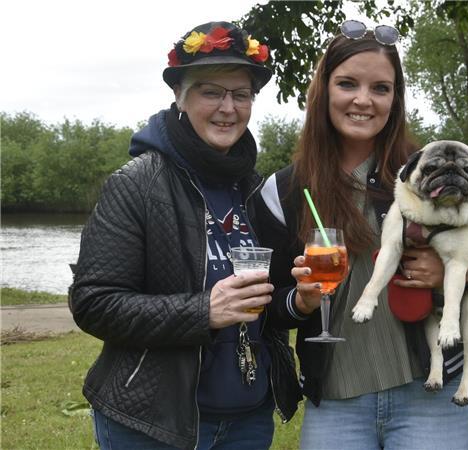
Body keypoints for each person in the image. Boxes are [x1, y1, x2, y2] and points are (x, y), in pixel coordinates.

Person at [258, 20, 468, 449]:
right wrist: (301, 300)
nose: (363, 100)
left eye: (381, 88)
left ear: (395, 99)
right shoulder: (285, 191)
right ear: (323, 90)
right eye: (347, 84)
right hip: (336, 401)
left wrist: (464, 271)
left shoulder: (428, 175)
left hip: (430, 397)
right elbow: (266, 306)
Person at [69, 21, 301, 449]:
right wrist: (203, 312)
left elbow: (269, 304)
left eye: (241, 94)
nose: (228, 107)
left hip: (248, 420)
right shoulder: (137, 184)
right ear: (179, 96)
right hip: (152, 424)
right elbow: (93, 302)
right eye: (210, 92)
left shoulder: (254, 189)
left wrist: (299, 301)